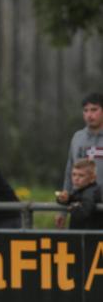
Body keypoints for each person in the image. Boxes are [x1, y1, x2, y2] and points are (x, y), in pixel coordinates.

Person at [57, 93, 103, 228]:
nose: (89, 115)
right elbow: (69, 174)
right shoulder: (78, 138)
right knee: (78, 247)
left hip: (101, 208)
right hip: (80, 208)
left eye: (94, 110)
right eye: (86, 110)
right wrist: (62, 211)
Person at [55, 159, 103, 230]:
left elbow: (85, 210)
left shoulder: (91, 192)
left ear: (92, 178)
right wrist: (64, 199)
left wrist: (72, 208)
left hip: (89, 236)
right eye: (74, 174)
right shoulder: (80, 189)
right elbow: (74, 198)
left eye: (81, 175)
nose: (76, 178)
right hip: (81, 234)